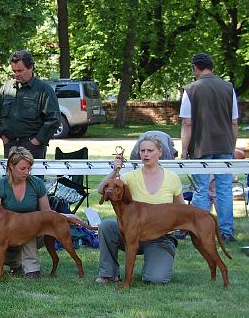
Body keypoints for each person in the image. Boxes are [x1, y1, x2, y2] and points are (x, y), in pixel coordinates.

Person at [95, 134, 185, 284]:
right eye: (142, 151)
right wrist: (114, 171)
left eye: (150, 150)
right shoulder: (130, 177)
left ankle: (153, 264)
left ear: (160, 152)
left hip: (160, 237)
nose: (146, 154)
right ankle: (108, 274)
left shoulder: (172, 178)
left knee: (155, 279)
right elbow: (101, 189)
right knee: (106, 226)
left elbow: (181, 208)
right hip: (133, 233)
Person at [179, 52, 238, 243]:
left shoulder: (190, 90)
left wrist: (184, 151)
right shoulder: (229, 88)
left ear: (195, 67)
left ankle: (200, 229)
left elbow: (188, 123)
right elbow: (233, 122)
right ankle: (226, 231)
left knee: (201, 189)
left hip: (201, 147)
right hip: (224, 145)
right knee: (224, 189)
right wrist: (232, 147)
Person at [0, 146, 52, 279]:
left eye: (29, 168)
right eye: (22, 169)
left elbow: (47, 213)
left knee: (27, 227)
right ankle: (17, 263)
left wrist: (65, 216)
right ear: (11, 167)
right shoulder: (0, 186)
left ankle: (32, 269)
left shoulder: (37, 184)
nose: (27, 172)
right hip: (7, 231)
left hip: (33, 231)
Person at [0, 50, 61, 159]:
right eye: (14, 71)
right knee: (11, 176)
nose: (16, 74)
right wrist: (4, 137)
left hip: (33, 148)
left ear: (30, 68)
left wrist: (37, 141)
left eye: (20, 71)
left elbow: (54, 120)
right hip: (11, 146)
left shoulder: (44, 90)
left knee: (33, 176)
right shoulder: (7, 88)